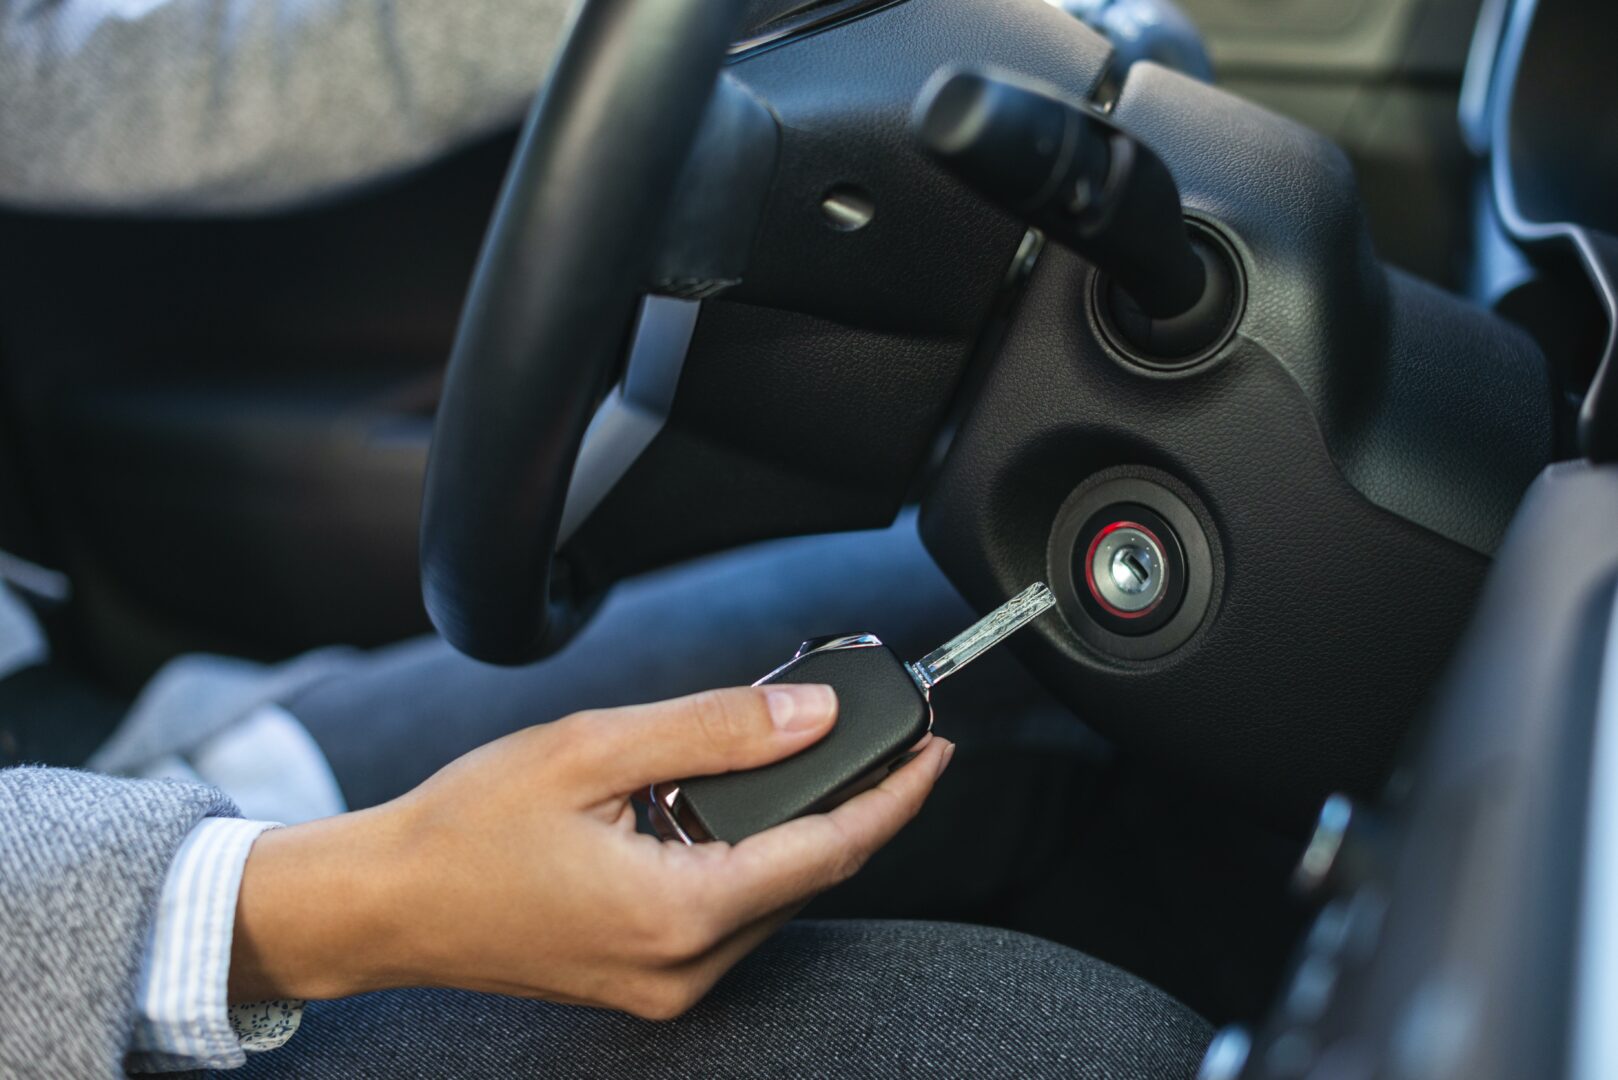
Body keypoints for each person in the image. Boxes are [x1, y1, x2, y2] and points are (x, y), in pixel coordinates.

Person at [0, 0, 1215, 1076]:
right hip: (99, 978)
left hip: (92, 785)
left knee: (975, 611)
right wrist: (333, 904)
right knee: (1071, 1048)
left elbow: (133, 67)